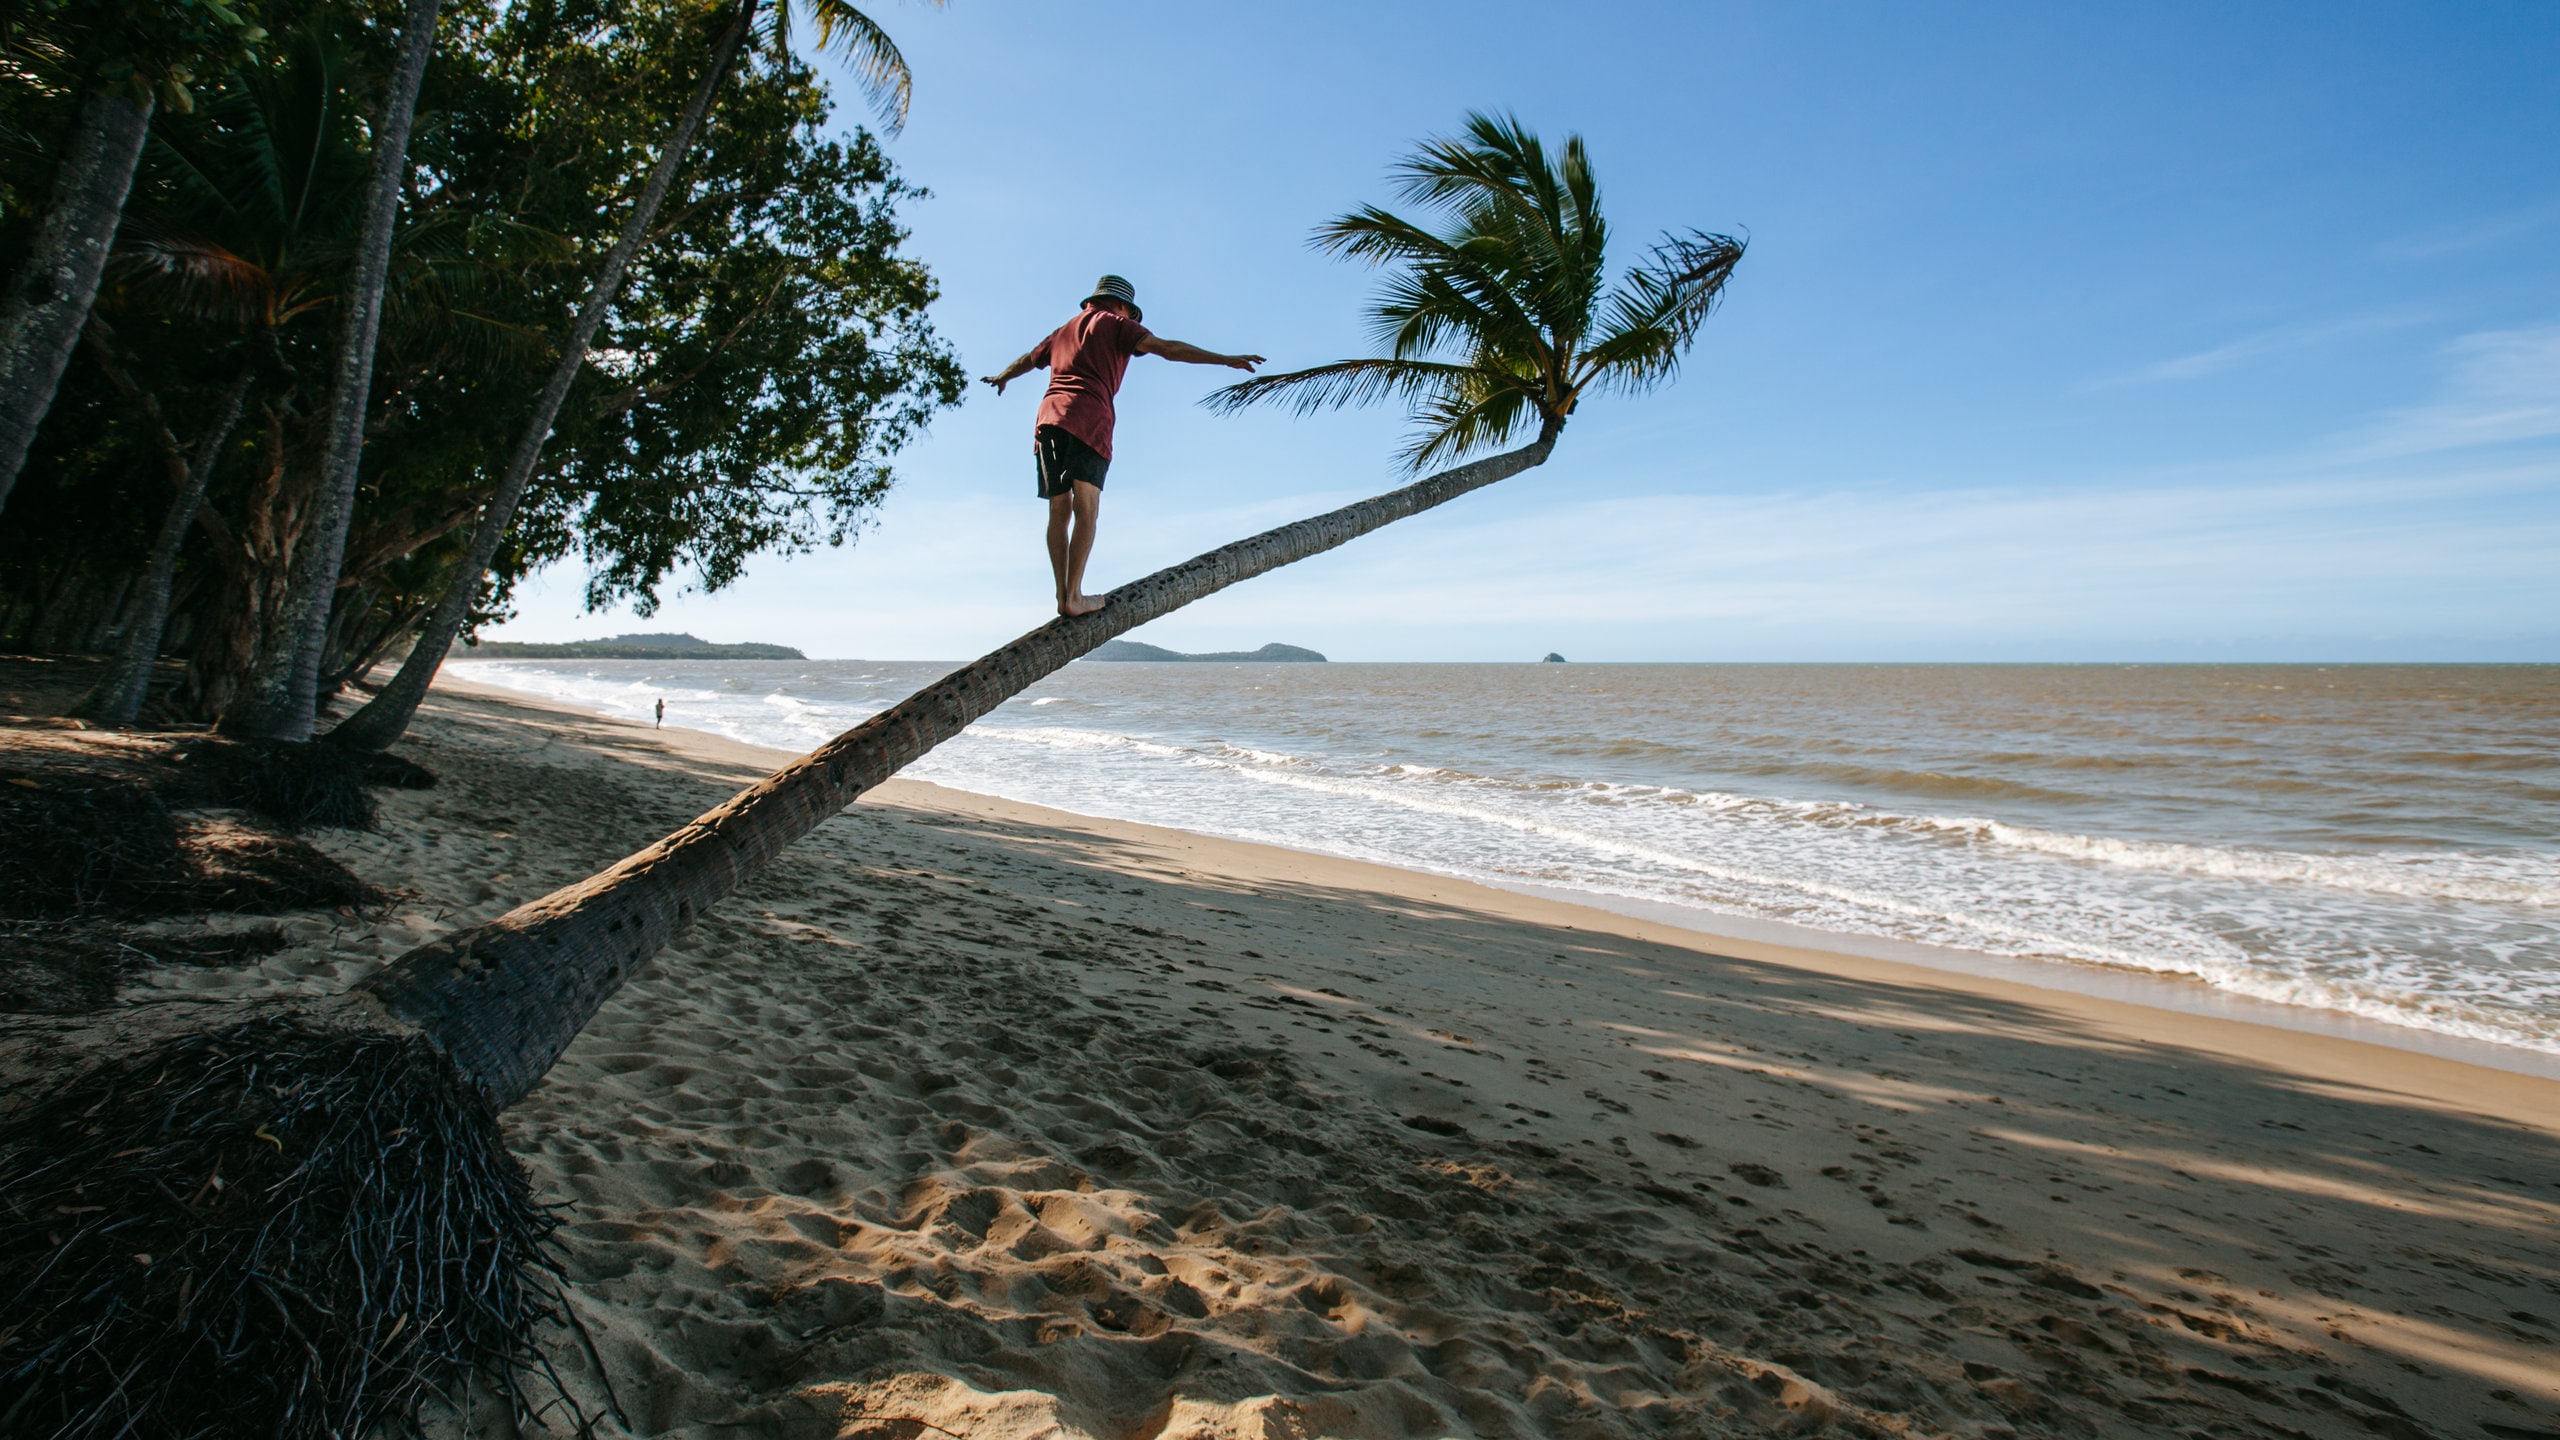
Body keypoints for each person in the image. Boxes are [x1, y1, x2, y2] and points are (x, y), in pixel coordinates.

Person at [981, 275, 1264, 616]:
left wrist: (1003, 376)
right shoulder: (1117, 325)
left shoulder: (1063, 331)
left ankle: (1062, 595)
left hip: (1048, 419)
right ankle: (1074, 597)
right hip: (1088, 419)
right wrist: (1225, 359)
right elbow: (1168, 349)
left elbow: (1028, 359)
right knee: (1087, 509)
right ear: (1121, 305)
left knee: (1059, 510)